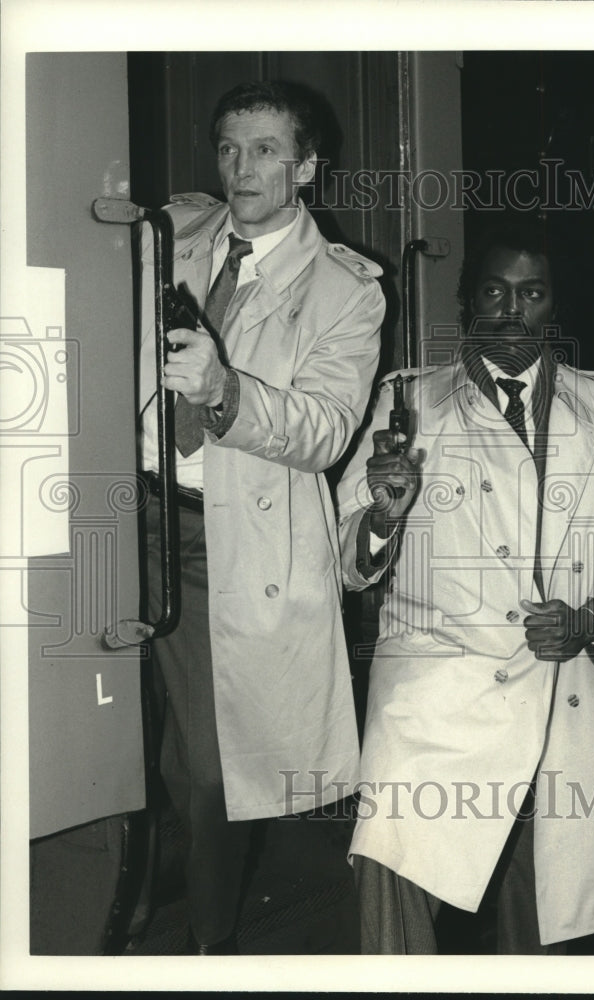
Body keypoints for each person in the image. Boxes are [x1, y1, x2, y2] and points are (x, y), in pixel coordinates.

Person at [335, 218, 594, 954]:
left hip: (560, 695)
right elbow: (344, 554)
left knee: (540, 916)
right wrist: (383, 515)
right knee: (391, 872)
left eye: (531, 293)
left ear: (553, 305)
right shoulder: (408, 407)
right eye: (494, 292)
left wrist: (592, 619)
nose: (511, 310)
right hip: (432, 699)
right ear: (467, 301)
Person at [137, 80, 385, 953]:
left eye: (266, 150)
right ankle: (115, 907)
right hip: (126, 518)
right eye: (229, 148)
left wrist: (224, 391)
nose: (241, 168)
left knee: (214, 771)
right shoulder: (171, 233)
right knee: (110, 732)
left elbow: (324, 431)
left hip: (227, 545)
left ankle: (207, 946)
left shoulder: (346, 292)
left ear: (307, 167)